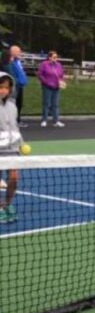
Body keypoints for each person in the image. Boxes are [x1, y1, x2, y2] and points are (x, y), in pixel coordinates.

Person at [0, 72, 23, 223]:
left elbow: (14, 127)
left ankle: (7, 204)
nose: (3, 90)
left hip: (11, 149)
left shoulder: (12, 106)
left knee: (14, 178)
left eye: (6, 88)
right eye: (0, 87)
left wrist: (20, 143)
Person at [37, 50, 65, 128]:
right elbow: (40, 74)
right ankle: (44, 120)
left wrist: (61, 81)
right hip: (47, 86)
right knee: (46, 103)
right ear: (49, 57)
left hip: (56, 86)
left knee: (55, 104)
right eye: (54, 57)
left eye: (56, 57)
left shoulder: (59, 65)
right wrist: (45, 82)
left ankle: (56, 121)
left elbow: (61, 75)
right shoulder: (44, 64)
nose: (56, 59)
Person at [9, 46, 28, 128]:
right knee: (13, 103)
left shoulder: (17, 61)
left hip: (20, 86)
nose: (20, 53)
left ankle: (17, 120)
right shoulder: (10, 61)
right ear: (13, 52)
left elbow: (20, 71)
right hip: (14, 85)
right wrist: (17, 81)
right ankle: (12, 121)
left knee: (19, 103)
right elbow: (11, 73)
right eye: (18, 51)